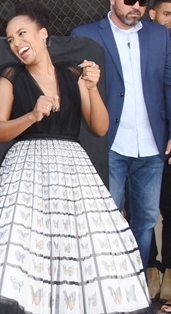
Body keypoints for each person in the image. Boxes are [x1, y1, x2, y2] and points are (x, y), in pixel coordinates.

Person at [0, 0, 166, 314]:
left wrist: (92, 89)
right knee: (15, 262)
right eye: (10, 39)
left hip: (72, 170)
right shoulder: (10, 77)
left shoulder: (74, 75)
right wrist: (32, 115)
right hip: (25, 169)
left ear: (43, 34)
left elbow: (99, 127)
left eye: (22, 33)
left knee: (78, 265)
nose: (16, 43)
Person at [71, 1, 171, 280]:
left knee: (146, 221)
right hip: (107, 143)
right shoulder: (85, 35)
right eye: (129, 1)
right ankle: (106, 285)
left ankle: (134, 286)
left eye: (141, 1)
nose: (136, 6)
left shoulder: (159, 35)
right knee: (106, 220)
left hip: (152, 144)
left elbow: (169, 83)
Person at [146, 0, 171, 310]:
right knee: (144, 213)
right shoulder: (145, 46)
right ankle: (150, 273)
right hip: (146, 142)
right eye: (167, 14)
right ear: (153, 15)